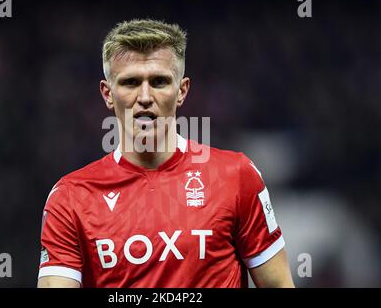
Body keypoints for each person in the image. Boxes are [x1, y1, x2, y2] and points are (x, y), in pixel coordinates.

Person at [37, 19, 294, 288]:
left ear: (181, 91)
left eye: (159, 81)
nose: (145, 96)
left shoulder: (235, 176)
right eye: (131, 82)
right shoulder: (71, 197)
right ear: (108, 94)